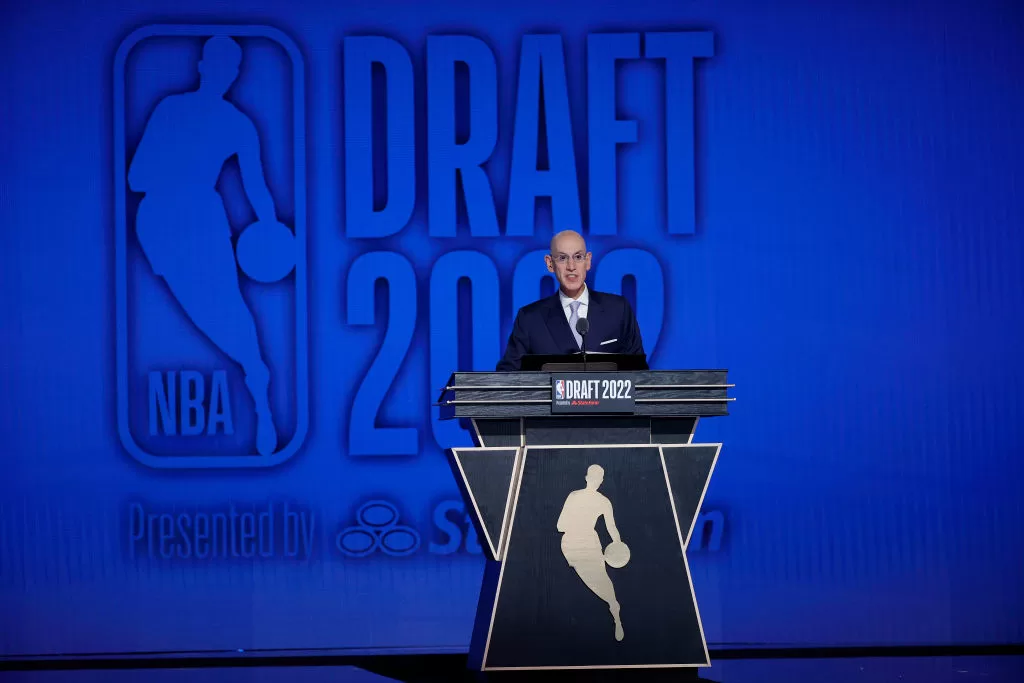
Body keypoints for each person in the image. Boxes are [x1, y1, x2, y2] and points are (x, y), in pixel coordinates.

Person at [127, 36, 281, 455]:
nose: (222, 74)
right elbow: (136, 178)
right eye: (219, 65)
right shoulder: (173, 111)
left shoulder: (236, 124)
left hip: (199, 219)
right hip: (165, 223)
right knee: (209, 311)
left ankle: (259, 391)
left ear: (230, 74)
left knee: (227, 309)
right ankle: (255, 375)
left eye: (229, 68)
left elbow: (258, 189)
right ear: (205, 67)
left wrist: (270, 230)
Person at [496, 230, 645, 371]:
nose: (571, 266)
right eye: (562, 258)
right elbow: (508, 376)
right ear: (550, 264)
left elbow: (640, 373)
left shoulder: (618, 310)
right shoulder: (530, 319)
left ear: (588, 261)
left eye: (578, 257)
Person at [557, 464, 626, 641]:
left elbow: (612, 528)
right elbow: (560, 526)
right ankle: (613, 606)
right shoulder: (580, 497)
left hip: (589, 542)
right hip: (574, 544)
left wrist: (617, 545)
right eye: (595, 478)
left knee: (601, 579)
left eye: (597, 478)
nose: (595, 481)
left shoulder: (600, 501)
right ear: (588, 478)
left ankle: (615, 610)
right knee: (596, 580)